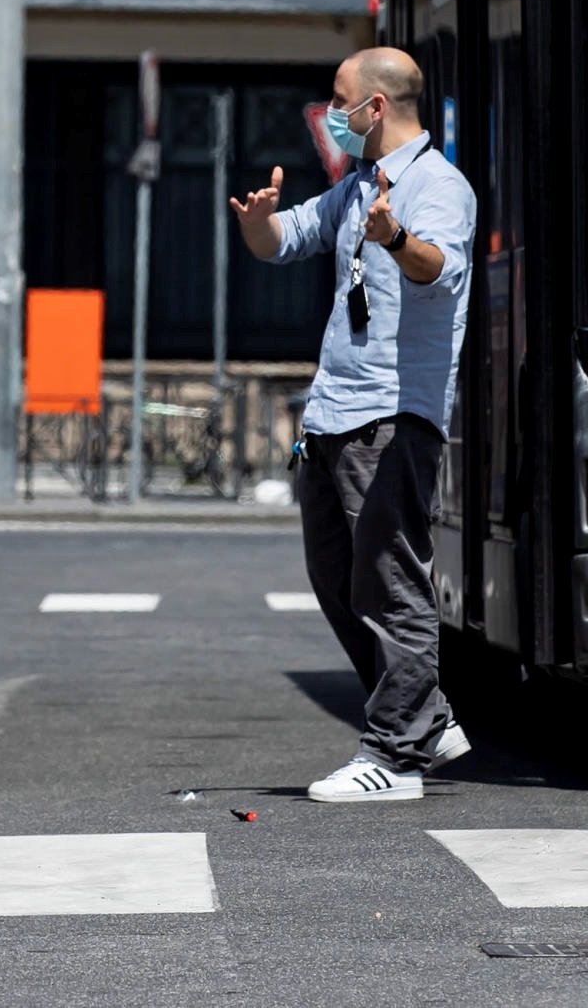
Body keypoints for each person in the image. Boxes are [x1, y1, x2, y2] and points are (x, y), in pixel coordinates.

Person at [230, 46, 478, 803]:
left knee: (390, 580)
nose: (330, 113)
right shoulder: (354, 189)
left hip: (395, 414)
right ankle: (425, 717)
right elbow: (285, 243)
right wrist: (259, 226)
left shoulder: (439, 186)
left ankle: (397, 754)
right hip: (334, 410)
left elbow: (443, 268)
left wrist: (397, 237)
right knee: (336, 577)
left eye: (340, 100)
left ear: (376, 107)